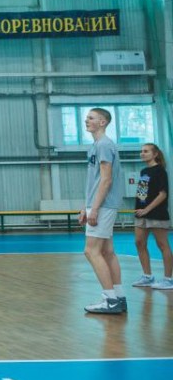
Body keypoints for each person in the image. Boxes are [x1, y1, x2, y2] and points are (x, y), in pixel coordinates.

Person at [80, 108, 126, 314]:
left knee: (91, 251)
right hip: (99, 203)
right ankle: (119, 297)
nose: (86, 120)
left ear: (103, 122)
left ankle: (110, 300)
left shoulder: (104, 145)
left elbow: (106, 180)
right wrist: (86, 206)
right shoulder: (96, 145)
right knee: (107, 252)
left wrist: (95, 208)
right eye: (86, 118)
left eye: (91, 118)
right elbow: (95, 180)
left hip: (104, 204)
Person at [132, 142, 172, 290]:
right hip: (141, 214)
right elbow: (142, 194)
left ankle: (168, 279)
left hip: (156, 213)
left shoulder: (160, 171)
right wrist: (139, 208)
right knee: (139, 242)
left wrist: (147, 209)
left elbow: (163, 194)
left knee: (162, 245)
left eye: (146, 151)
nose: (142, 153)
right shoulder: (144, 171)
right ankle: (147, 277)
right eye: (142, 151)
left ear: (155, 154)